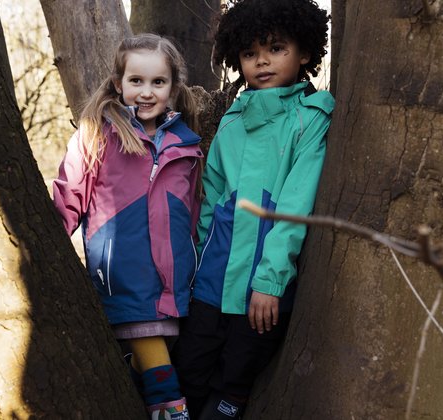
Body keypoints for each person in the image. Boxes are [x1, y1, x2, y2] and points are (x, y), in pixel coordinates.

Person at [171, 0, 333, 417]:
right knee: (189, 368)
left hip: (263, 284)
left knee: (235, 378)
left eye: (276, 48)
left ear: (305, 54)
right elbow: (211, 198)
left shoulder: (311, 118)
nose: (261, 61)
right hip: (212, 279)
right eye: (248, 53)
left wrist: (270, 281)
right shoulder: (232, 118)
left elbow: (297, 204)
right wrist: (193, 273)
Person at [52, 33, 201, 420]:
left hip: (171, 281)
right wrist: (46, 253)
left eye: (158, 82)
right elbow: (69, 193)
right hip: (121, 275)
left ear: (172, 87)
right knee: (163, 377)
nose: (147, 92)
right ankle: (172, 411)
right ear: (119, 84)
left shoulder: (186, 146)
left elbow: (194, 212)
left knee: (148, 358)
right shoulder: (97, 134)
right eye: (136, 81)